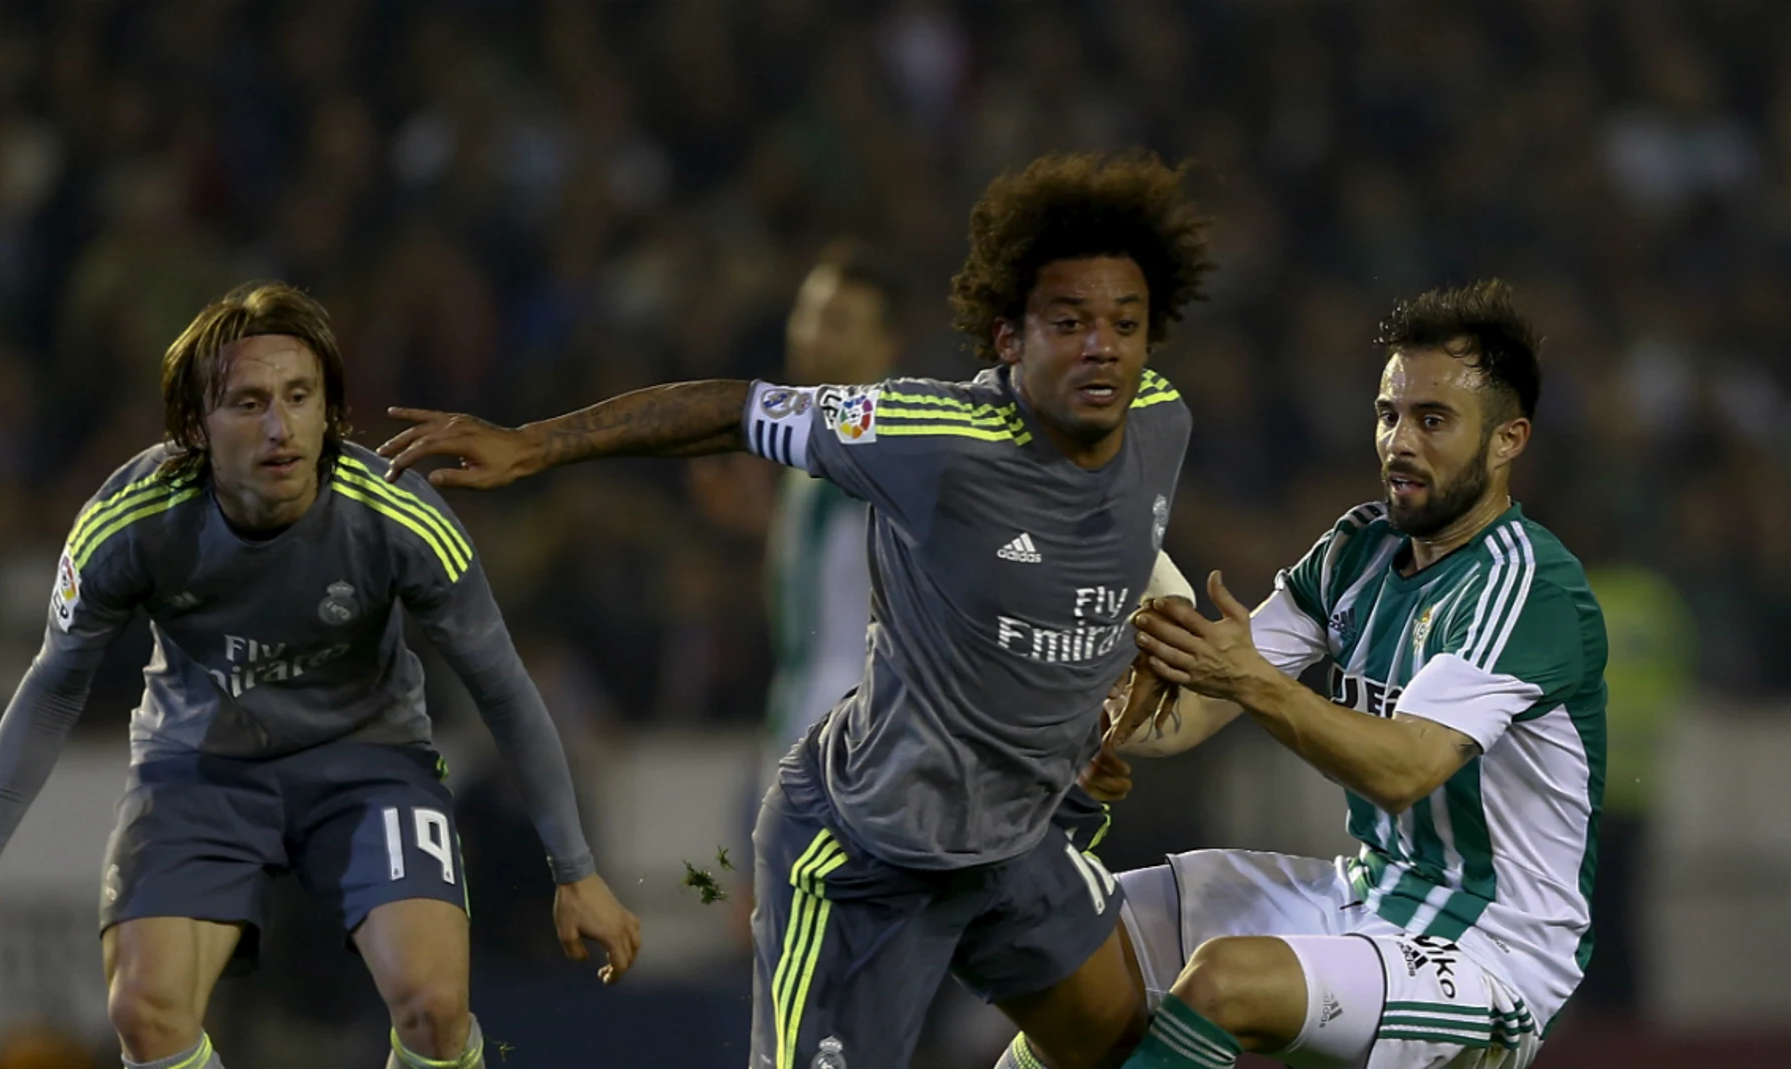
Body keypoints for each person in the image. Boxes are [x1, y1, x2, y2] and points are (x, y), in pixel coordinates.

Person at [378, 150, 1211, 1069]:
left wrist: (1106, 698)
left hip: (1016, 843)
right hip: (871, 852)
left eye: (1126, 324)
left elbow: (1106, 575)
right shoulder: (927, 437)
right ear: (1008, 339)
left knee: (1143, 1050)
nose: (1103, 346)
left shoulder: (1162, 418)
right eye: (1069, 322)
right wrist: (537, 445)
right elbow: (735, 411)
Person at [0, 282, 641, 1069]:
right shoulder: (130, 520)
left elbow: (503, 686)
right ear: (195, 427)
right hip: (199, 767)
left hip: (370, 767)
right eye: (248, 402)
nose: (279, 426)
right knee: (144, 1010)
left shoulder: (398, 514)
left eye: (300, 397)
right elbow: (55, 682)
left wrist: (576, 871)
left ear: (329, 411)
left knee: (436, 1009)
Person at [998, 280, 1608, 1069]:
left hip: (1491, 951)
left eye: (1432, 420)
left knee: (1225, 980)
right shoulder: (1359, 549)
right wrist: (1109, 709)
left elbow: (1404, 768)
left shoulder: (1527, 587)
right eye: (1389, 414)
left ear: (1508, 440)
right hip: (1364, 895)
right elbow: (1188, 714)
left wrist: (1246, 679)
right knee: (1076, 934)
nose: (1399, 442)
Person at [764, 238, 905, 755]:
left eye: (838, 322)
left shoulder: (894, 436)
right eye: (807, 314)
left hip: (865, 724)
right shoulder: (811, 436)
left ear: (887, 344)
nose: (811, 335)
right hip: (804, 711)